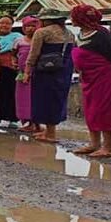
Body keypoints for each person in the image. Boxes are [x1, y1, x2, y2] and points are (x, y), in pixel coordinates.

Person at [70, 4, 111, 158]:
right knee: (91, 109)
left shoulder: (100, 34)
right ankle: (94, 143)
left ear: (82, 18)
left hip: (106, 77)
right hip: (89, 78)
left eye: (74, 16)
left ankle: (108, 147)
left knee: (104, 110)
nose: (71, 19)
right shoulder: (81, 33)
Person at [24, 8, 75, 143]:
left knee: (45, 100)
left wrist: (27, 71)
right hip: (64, 70)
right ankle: (49, 130)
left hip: (45, 71)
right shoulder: (69, 33)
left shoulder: (42, 32)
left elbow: (33, 54)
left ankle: (50, 134)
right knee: (58, 99)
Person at [0, 15, 23, 127]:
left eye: (7, 23)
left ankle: (13, 119)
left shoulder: (17, 37)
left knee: (11, 93)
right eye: (1, 23)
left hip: (11, 69)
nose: (4, 25)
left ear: (12, 25)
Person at [13, 16, 40, 132]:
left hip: (37, 73)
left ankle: (37, 123)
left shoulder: (40, 40)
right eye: (27, 26)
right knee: (23, 99)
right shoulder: (19, 41)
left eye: (33, 26)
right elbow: (13, 54)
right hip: (22, 73)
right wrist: (14, 62)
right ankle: (27, 122)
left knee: (36, 98)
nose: (30, 29)